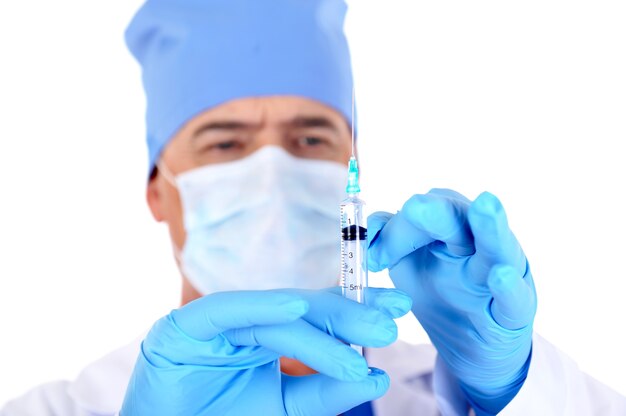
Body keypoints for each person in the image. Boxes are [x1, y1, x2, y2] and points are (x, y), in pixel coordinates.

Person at [2, 0, 625, 415]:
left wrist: (507, 388)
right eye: (225, 143)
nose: (272, 172)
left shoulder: (438, 394)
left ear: (351, 167)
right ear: (157, 190)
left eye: (310, 138)